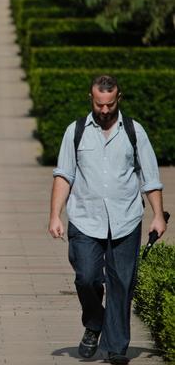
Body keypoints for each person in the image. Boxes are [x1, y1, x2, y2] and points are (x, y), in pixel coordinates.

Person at [48, 75, 167, 365]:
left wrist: (157, 216)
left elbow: (150, 178)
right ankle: (94, 322)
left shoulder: (134, 131)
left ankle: (116, 347)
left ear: (119, 99)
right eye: (99, 104)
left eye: (109, 104)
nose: (104, 110)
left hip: (125, 219)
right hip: (85, 219)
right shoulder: (75, 131)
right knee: (86, 277)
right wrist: (55, 214)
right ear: (91, 99)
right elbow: (64, 174)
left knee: (121, 283)